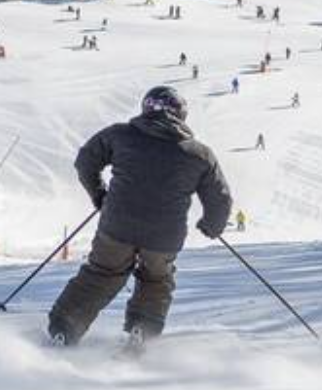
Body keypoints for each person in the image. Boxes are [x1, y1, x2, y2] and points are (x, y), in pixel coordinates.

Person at [47, 86, 233, 349]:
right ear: (181, 115)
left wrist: (99, 194)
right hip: (164, 236)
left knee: (102, 273)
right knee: (156, 279)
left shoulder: (120, 135)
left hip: (118, 225)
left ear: (146, 108)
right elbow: (220, 197)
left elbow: (86, 160)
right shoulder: (199, 154)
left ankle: (65, 328)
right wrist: (212, 224)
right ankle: (141, 331)